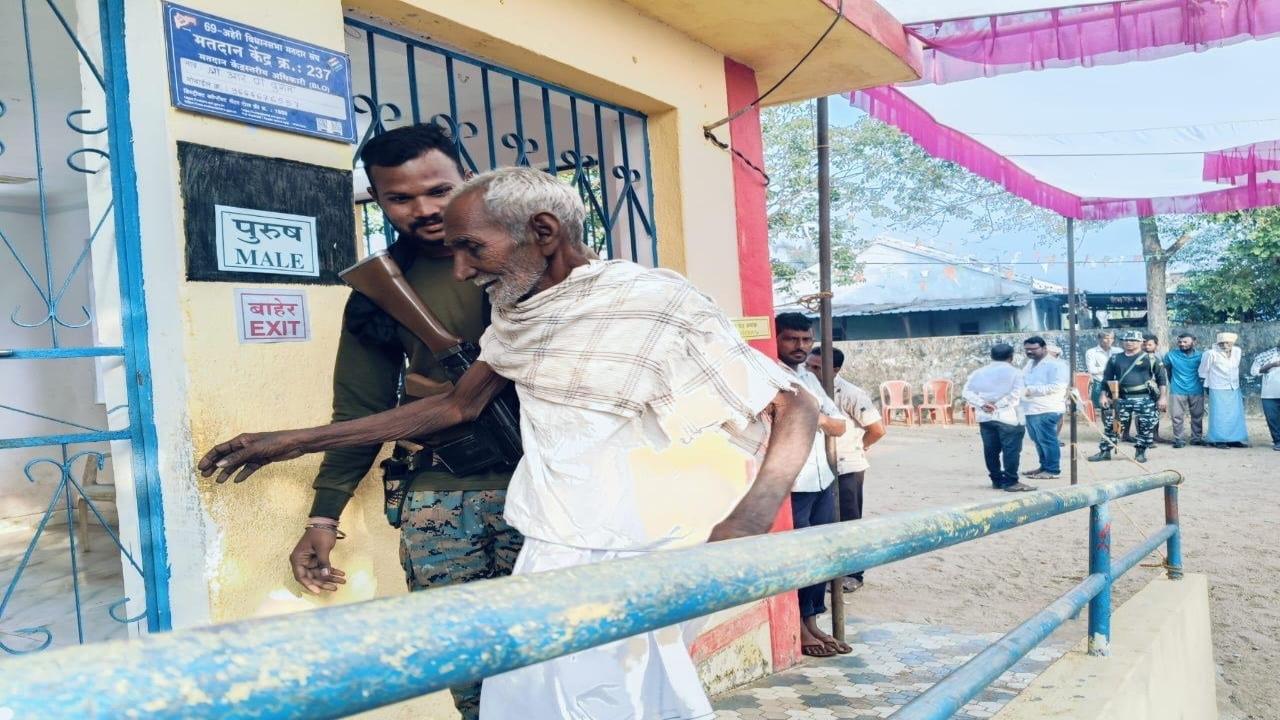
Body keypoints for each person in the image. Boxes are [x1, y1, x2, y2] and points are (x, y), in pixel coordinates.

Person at [200, 167, 820, 720]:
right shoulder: (518, 319)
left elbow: (794, 405)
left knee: (623, 699)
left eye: (472, 248)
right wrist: (291, 441)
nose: (464, 270)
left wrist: (747, 521)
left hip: (641, 552)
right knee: (527, 700)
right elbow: (454, 405)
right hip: (552, 545)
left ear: (544, 231)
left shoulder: (654, 300)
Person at [289, 125, 519, 719]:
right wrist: (325, 513)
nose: (424, 209)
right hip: (440, 498)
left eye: (439, 189)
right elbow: (360, 408)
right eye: (399, 198)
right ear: (378, 199)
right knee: (466, 668)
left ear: (470, 178)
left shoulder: (536, 262)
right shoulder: (378, 289)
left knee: (562, 662)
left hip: (546, 493)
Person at [774, 313, 849, 657]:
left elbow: (839, 425)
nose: (800, 346)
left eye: (806, 340)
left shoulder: (810, 378)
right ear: (777, 338)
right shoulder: (769, 375)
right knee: (799, 556)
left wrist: (809, 417)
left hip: (821, 478)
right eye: (791, 339)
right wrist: (817, 419)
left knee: (820, 553)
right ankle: (800, 627)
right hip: (794, 482)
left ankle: (812, 622)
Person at [806, 347, 885, 592]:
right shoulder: (807, 388)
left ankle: (854, 574)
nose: (811, 370)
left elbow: (877, 429)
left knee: (850, 521)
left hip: (847, 466)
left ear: (835, 370)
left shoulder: (851, 393)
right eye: (810, 365)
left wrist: (860, 447)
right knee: (826, 522)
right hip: (819, 468)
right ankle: (831, 572)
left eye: (818, 367)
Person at [962, 343, 1034, 492]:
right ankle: (1011, 481)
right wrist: (998, 405)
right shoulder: (1016, 373)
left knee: (991, 450)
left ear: (991, 356)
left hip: (986, 417)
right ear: (1011, 357)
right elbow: (1016, 396)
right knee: (1011, 450)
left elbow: (967, 392)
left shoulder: (978, 372)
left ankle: (996, 479)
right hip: (1009, 417)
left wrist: (983, 404)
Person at [1089, 331, 1167, 463]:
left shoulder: (1151, 359)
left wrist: (1163, 398)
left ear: (1141, 342)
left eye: (1133, 340)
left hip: (1144, 398)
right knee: (1113, 426)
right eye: (1126, 340)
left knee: (1145, 426)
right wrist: (1103, 396)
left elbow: (1162, 380)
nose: (1129, 342)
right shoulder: (1115, 358)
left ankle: (1140, 452)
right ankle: (1105, 451)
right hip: (1121, 398)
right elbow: (1106, 379)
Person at [1020, 336, 1068, 480]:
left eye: (1033, 349)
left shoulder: (1057, 365)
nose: (1030, 352)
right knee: (1038, 440)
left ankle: (1053, 470)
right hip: (1030, 408)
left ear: (1044, 348)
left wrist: (1031, 390)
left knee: (1047, 439)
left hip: (1047, 407)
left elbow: (1058, 386)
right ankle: (1044, 466)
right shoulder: (1030, 364)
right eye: (1027, 349)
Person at [1200, 332, 1249, 448]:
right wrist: (1206, 386)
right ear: (1218, 343)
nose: (1225, 345)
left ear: (1232, 343)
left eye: (1227, 343)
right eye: (1221, 343)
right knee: (1219, 414)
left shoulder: (1237, 351)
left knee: (1234, 414)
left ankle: (1234, 439)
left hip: (1234, 387)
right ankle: (1219, 440)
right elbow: (1203, 371)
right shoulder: (1210, 353)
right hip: (1217, 387)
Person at [1164, 333, 1206, 448]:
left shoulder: (1202, 356)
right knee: (1176, 416)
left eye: (1185, 342)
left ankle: (1196, 438)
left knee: (1197, 415)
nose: (1182, 344)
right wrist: (1173, 383)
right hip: (1177, 389)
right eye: (1180, 342)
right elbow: (1168, 370)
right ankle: (1179, 439)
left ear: (1194, 341)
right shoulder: (1170, 355)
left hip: (1197, 389)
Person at [1250, 339, 1280, 451]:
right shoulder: (1267, 355)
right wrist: (1272, 365)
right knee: (1273, 419)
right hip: (1270, 394)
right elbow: (1254, 371)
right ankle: (1278, 441)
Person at [1085, 331, 1120, 413]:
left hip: (1117, 384)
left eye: (1111, 338)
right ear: (1099, 339)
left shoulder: (1118, 351)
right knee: (1103, 409)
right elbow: (1092, 370)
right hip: (1100, 383)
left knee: (1118, 409)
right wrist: (1110, 370)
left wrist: (1101, 370)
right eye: (1106, 338)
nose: (1109, 341)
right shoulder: (1091, 352)